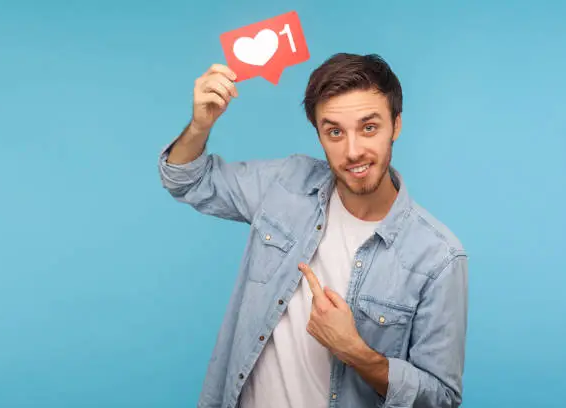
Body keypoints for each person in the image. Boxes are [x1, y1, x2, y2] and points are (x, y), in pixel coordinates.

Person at [158, 53, 468, 408]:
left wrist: (355, 352)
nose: (353, 152)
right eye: (334, 131)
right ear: (318, 132)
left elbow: (441, 398)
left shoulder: (439, 258)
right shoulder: (285, 184)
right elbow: (187, 180)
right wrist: (200, 126)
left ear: (396, 125)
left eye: (369, 127)